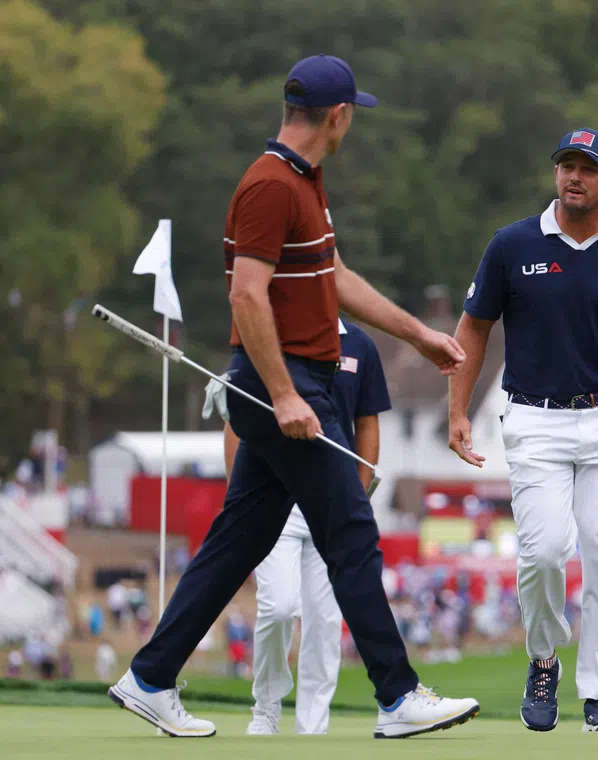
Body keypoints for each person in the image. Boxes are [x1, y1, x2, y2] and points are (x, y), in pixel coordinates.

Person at [107, 53, 479, 739]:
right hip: (283, 384)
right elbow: (246, 294)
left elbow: (332, 275)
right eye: (350, 117)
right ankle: (396, 696)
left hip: (290, 383)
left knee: (235, 542)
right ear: (337, 116)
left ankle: (150, 677)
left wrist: (417, 334)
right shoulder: (270, 185)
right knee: (352, 534)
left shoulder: (306, 181)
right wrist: (283, 393)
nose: (349, 127)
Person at [447, 127, 598, 732]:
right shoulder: (511, 245)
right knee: (545, 552)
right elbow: (472, 328)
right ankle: (543, 657)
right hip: (534, 418)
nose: (573, 177)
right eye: (565, 166)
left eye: (587, 168)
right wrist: (457, 410)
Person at [205, 318, 389, 735]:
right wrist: (241, 502)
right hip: (275, 501)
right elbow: (237, 422)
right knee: (279, 606)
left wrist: (354, 500)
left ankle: (312, 725)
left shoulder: (361, 346)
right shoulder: (271, 335)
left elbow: (367, 426)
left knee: (324, 622)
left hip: (330, 502)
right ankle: (266, 707)